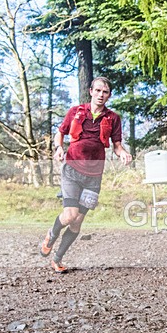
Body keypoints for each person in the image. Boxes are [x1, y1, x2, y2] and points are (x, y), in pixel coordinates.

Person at [39, 77, 132, 272]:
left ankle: (57, 259)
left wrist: (123, 153)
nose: (101, 95)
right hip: (72, 170)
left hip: (94, 176)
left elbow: (116, 145)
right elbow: (60, 132)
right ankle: (52, 234)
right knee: (70, 215)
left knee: (77, 223)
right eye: (97, 90)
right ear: (91, 91)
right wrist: (58, 148)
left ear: (109, 95)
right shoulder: (75, 112)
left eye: (105, 92)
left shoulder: (113, 118)